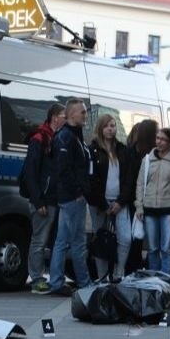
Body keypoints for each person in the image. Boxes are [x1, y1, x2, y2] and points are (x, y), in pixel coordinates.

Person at [48, 98, 94, 296]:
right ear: (72, 114)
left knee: (63, 240)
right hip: (71, 197)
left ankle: (58, 281)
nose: (85, 115)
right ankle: (83, 282)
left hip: (71, 196)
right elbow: (63, 169)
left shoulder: (71, 136)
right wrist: (77, 193)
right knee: (76, 241)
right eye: (82, 112)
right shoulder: (67, 138)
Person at [23, 103, 66, 294]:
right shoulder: (40, 138)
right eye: (64, 116)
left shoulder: (55, 138)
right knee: (39, 240)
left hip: (54, 198)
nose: (65, 119)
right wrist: (38, 200)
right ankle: (37, 279)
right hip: (43, 200)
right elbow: (30, 172)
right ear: (55, 117)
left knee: (54, 240)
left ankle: (52, 277)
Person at [86, 114, 134, 281]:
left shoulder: (122, 150)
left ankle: (119, 272)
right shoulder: (92, 150)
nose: (110, 129)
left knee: (125, 237)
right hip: (100, 204)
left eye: (113, 125)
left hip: (120, 202)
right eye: (107, 126)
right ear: (100, 128)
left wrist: (121, 202)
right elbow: (91, 181)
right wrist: (103, 205)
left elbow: (129, 179)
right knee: (101, 239)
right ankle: (102, 277)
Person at [134, 127, 170, 275]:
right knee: (152, 248)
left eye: (163, 139)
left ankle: (166, 281)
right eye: (158, 138)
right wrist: (139, 206)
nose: (159, 142)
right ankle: (153, 280)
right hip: (149, 209)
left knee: (167, 248)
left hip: (168, 211)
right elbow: (140, 184)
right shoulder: (147, 160)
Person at [125, 119, 159, 273]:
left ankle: (133, 268)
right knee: (147, 240)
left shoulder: (131, 151)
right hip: (146, 201)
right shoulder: (151, 155)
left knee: (135, 238)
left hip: (133, 200)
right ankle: (138, 268)